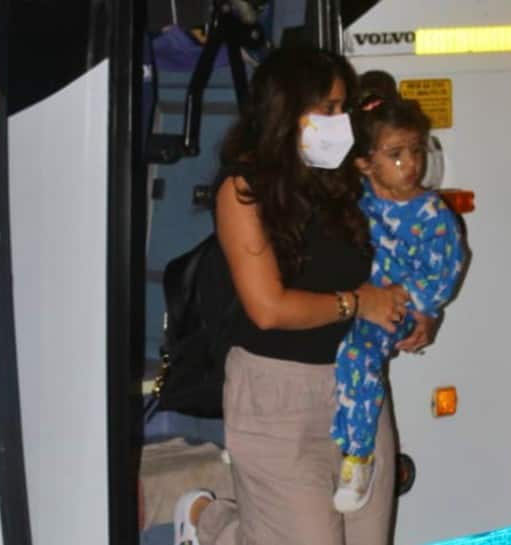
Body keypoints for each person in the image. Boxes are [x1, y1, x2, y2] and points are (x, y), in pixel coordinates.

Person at [172, 47, 436, 545]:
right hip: (280, 398)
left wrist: (414, 312)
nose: (341, 120)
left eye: (343, 108)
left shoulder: (349, 181)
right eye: (329, 108)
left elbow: (391, 264)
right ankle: (208, 521)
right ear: (286, 110)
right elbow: (267, 308)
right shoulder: (243, 188)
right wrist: (359, 303)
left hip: (359, 392)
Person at [331, 94, 466, 513]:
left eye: (415, 151)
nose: (410, 163)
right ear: (364, 163)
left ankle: (358, 457)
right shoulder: (358, 203)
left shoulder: (431, 213)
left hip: (395, 312)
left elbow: (447, 265)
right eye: (395, 154)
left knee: (359, 357)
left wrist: (421, 308)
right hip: (355, 302)